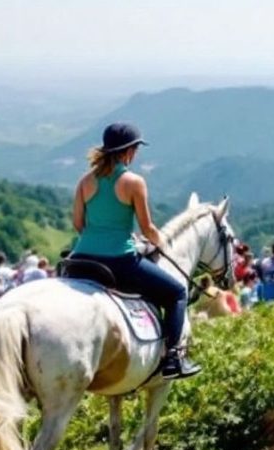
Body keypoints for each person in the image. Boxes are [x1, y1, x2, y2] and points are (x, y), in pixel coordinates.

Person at [70, 122, 200, 379]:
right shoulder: (133, 182)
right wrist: (161, 242)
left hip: (80, 259)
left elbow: (78, 224)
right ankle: (174, 358)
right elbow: (147, 227)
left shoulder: (85, 181)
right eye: (136, 149)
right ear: (128, 151)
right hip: (118, 260)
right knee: (177, 293)